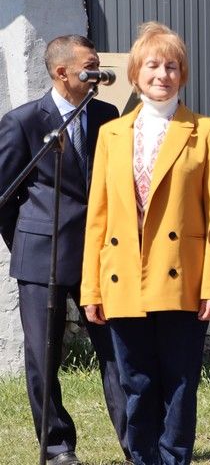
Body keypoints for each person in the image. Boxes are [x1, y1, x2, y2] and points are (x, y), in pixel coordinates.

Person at [80, 22, 210, 465]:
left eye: (172, 66)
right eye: (152, 65)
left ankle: (174, 458)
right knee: (136, 382)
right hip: (122, 277)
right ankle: (141, 458)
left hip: (181, 279)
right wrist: (91, 287)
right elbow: (97, 216)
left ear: (182, 74)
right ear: (135, 72)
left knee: (180, 381)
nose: (162, 74)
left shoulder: (204, 131)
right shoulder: (112, 134)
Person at [0, 35, 128, 465]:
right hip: (42, 257)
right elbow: (4, 196)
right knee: (43, 357)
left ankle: (136, 443)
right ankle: (56, 447)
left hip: (100, 257)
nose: (98, 74)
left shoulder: (108, 115)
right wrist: (25, 242)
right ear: (62, 73)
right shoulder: (23, 122)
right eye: (90, 68)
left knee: (117, 351)